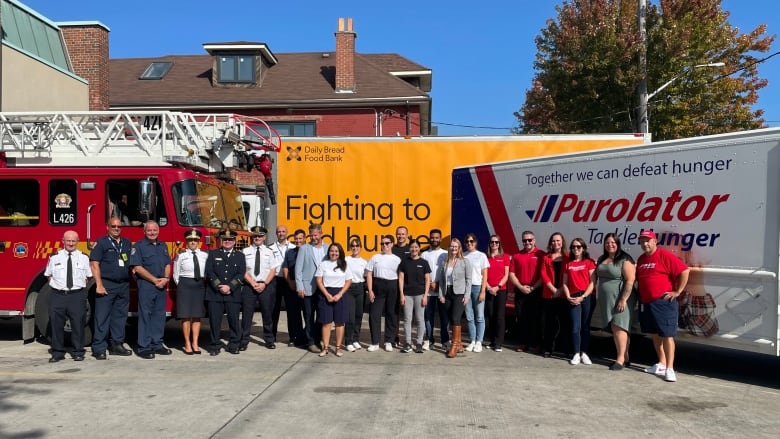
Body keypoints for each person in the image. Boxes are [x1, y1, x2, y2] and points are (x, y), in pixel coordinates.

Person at [636, 229, 690, 383]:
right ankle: (661, 363)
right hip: (647, 302)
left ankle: (670, 369)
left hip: (663, 303)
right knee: (655, 334)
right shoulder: (641, 259)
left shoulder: (664, 255)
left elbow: (684, 270)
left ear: (655, 241)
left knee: (667, 335)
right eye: (642, 241)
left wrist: (677, 291)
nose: (645, 243)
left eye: (648, 240)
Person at [90, 217, 133, 360]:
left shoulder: (127, 243)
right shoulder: (101, 243)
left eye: (119, 226)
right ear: (107, 227)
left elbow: (131, 262)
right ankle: (99, 348)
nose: (116, 228)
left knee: (120, 317)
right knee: (102, 317)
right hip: (107, 285)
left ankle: (116, 345)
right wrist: (99, 284)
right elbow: (94, 264)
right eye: (113, 226)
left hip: (123, 285)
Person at [45, 230, 91, 362]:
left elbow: (88, 276)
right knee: (56, 325)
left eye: (73, 241)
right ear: (63, 241)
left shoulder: (84, 257)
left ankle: (78, 352)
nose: (71, 243)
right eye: (68, 241)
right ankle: (58, 352)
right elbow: (48, 275)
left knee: (78, 324)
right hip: (58, 295)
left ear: (77, 241)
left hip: (76, 295)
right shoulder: (54, 257)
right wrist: (59, 286)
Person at [129, 221, 172, 359]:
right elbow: (137, 267)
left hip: (162, 284)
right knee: (145, 316)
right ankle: (144, 347)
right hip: (147, 285)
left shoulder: (163, 245)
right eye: (149, 230)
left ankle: (157, 344)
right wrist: (154, 280)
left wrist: (165, 278)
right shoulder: (139, 246)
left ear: (158, 231)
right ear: (144, 232)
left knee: (160, 316)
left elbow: (167, 263)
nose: (152, 232)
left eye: (154, 230)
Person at [596, 233, 637, 371]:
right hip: (607, 299)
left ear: (618, 243)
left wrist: (623, 299)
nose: (610, 245)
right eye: (607, 242)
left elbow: (630, 281)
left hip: (622, 298)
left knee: (619, 326)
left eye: (613, 242)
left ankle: (619, 360)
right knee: (617, 328)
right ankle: (626, 357)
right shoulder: (602, 258)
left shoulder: (625, 259)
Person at [205, 229, 246, 355]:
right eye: (225, 239)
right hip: (215, 294)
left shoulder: (240, 256)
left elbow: (241, 274)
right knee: (215, 321)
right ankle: (215, 345)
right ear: (221, 240)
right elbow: (209, 272)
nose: (228, 241)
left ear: (234, 241)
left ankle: (234, 344)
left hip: (232, 294)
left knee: (234, 321)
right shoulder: (213, 254)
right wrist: (219, 286)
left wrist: (230, 287)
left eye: (230, 239)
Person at [242, 226, 280, 350]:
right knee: (247, 315)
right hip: (249, 286)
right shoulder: (245, 251)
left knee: (267, 314)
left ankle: (269, 339)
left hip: (266, 285)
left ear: (264, 237)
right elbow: (243, 270)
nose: (257, 238)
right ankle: (244, 340)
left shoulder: (269, 252)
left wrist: (264, 284)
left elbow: (273, 270)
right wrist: (253, 283)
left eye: (260, 236)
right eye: (255, 236)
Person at [508, 231, 545, 353]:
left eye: (529, 240)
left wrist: (533, 288)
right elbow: (512, 274)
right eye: (525, 240)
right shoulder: (517, 255)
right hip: (520, 291)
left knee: (536, 318)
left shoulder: (541, 254)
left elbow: (543, 274)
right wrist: (520, 287)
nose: (527, 242)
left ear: (534, 240)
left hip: (536, 290)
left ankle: (536, 344)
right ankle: (523, 343)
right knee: (522, 318)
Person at [172, 229, 208, 355]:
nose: (193, 242)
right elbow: (176, 275)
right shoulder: (181, 255)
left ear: (199, 241)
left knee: (197, 316)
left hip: (199, 285)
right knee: (186, 316)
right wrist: (182, 285)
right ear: (186, 241)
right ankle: (187, 343)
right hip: (185, 285)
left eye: (195, 240)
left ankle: (195, 343)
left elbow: (207, 272)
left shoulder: (204, 255)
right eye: (190, 240)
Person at [562, 238, 597, 365]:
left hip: (587, 297)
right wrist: (567, 296)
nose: (575, 249)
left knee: (585, 327)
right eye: (573, 247)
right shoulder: (568, 264)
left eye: (578, 246)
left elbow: (593, 282)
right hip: (573, 297)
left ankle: (584, 353)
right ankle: (576, 353)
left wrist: (583, 297)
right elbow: (565, 283)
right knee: (575, 327)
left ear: (583, 248)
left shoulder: (589, 262)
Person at [315, 243, 352, 357]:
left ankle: (338, 348)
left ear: (340, 253)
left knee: (340, 323)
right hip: (326, 294)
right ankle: (325, 348)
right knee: (326, 322)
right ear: (329, 252)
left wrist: (340, 294)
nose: (334, 253)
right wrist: (326, 294)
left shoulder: (344, 264)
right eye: (332, 251)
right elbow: (319, 280)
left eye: (336, 251)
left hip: (340, 295)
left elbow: (348, 281)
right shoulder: (323, 264)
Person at [366, 235, 402, 352]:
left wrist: (401, 293)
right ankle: (375, 342)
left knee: (391, 314)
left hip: (392, 285)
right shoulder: (375, 257)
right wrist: (370, 290)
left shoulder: (397, 259)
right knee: (374, 315)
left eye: (386, 243)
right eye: (382, 244)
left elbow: (401, 277)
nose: (384, 246)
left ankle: (388, 341)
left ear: (392, 244)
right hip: (378, 285)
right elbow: (369, 274)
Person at [295, 223, 328, 353]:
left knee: (321, 316)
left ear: (320, 234)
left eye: (315, 235)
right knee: (308, 316)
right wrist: (300, 287)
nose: (313, 237)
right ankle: (310, 342)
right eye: (311, 235)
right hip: (308, 287)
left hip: (323, 288)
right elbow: (298, 269)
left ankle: (318, 338)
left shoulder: (328, 248)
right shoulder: (304, 248)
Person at [438, 238, 472, 358]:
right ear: (449, 248)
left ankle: (454, 346)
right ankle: (459, 344)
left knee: (455, 318)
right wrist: (441, 295)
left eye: (455, 247)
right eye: (451, 246)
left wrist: (467, 295)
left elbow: (469, 280)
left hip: (459, 293)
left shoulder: (464, 262)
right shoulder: (445, 262)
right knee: (451, 320)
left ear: (459, 249)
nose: (453, 248)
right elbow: (442, 280)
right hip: (447, 293)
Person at [540, 232, 570, 358]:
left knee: (565, 324)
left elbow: (570, 273)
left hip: (564, 294)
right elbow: (543, 274)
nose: (555, 243)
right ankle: (548, 349)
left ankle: (566, 350)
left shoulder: (568, 256)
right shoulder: (546, 257)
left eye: (558, 240)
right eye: (553, 241)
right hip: (550, 295)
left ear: (562, 242)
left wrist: (561, 290)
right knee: (550, 324)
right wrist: (554, 290)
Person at [398, 239, 430, 353]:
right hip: (407, 295)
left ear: (419, 248)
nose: (414, 249)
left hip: (420, 294)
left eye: (416, 247)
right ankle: (407, 343)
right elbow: (401, 279)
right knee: (407, 319)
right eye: (412, 247)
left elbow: (427, 280)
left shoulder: (424, 263)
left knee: (420, 319)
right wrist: (401, 294)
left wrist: (425, 295)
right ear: (409, 249)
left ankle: (419, 343)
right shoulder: (404, 262)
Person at [421, 229, 448, 351]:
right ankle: (430, 340)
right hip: (429, 291)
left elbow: (448, 272)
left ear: (440, 239)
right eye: (432, 237)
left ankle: (445, 341)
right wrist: (430, 283)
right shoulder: (424, 254)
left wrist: (438, 283)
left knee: (444, 317)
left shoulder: (445, 254)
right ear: (429, 238)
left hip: (442, 290)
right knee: (428, 317)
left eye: (437, 237)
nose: (434, 240)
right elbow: (422, 272)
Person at [463, 233, 489, 353]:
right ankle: (472, 340)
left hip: (477, 287)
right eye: (467, 241)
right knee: (469, 316)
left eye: (471, 241)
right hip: (466, 289)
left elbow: (485, 275)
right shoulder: (463, 255)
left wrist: (483, 291)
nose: (469, 243)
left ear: (476, 243)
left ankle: (479, 341)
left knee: (479, 316)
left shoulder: (481, 256)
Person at [484, 234, 510, 352]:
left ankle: (499, 343)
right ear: (489, 244)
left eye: (496, 242)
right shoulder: (486, 257)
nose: (494, 244)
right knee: (490, 315)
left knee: (499, 316)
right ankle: (492, 341)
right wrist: (489, 287)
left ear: (500, 244)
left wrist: (497, 287)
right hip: (488, 289)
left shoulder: (505, 257)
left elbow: (506, 275)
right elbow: (482, 274)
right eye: (492, 242)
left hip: (501, 290)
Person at [282, 228, 306, 347]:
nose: (298, 241)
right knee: (292, 314)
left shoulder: (308, 251)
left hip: (306, 288)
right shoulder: (289, 252)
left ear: (305, 239)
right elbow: (285, 268)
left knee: (308, 314)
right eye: (296, 239)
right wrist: (289, 281)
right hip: (291, 287)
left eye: (300, 238)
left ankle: (307, 336)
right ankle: (293, 337)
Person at [271, 225, 295, 342]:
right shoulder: (270, 248)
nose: (281, 233)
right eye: (279, 232)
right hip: (276, 280)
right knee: (274, 309)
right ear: (276, 233)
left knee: (291, 309)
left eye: (283, 231)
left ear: (287, 233)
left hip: (289, 280)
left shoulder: (293, 247)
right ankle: (272, 335)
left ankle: (292, 336)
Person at [344, 237, 367, 352]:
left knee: (359, 316)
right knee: (350, 317)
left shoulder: (364, 262)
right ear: (350, 247)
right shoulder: (346, 259)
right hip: (349, 288)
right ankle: (348, 340)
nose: (355, 248)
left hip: (360, 288)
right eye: (353, 246)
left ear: (360, 247)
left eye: (357, 246)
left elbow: (367, 277)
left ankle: (355, 340)